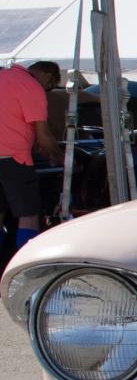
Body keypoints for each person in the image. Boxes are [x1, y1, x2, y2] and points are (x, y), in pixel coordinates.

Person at [0, 61, 63, 262]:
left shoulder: (3, 77)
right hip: (15, 159)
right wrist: (61, 157)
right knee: (28, 215)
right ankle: (26, 266)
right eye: (51, 85)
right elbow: (44, 136)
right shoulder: (30, 86)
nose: (48, 90)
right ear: (46, 75)